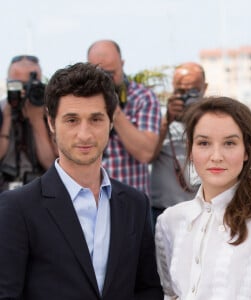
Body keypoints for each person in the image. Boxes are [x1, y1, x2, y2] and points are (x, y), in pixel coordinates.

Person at [0, 62, 163, 300]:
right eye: (72, 120)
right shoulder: (17, 207)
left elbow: (147, 289)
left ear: (111, 121)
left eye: (95, 119)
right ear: (50, 122)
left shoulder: (135, 204)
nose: (84, 134)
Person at [155, 96, 251, 299]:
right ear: (190, 149)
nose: (216, 156)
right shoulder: (170, 221)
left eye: (229, 143)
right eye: (204, 143)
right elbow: (170, 294)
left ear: (246, 150)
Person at [87, 40, 161, 195]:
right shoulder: (81, 100)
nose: (106, 80)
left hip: (133, 201)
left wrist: (113, 106)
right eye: (100, 73)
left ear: (122, 63)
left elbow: (146, 153)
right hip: (90, 199)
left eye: (111, 73)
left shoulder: (142, 97)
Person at [150, 62, 207, 225]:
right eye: (181, 91)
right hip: (163, 211)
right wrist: (166, 121)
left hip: (201, 212)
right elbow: (146, 155)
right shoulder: (159, 117)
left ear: (205, 88)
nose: (188, 97)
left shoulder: (211, 119)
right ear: (173, 90)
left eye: (194, 91)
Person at [0, 55, 57, 191]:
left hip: (38, 191)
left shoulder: (49, 113)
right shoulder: (2, 110)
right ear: (8, 83)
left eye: (30, 85)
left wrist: (37, 121)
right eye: (18, 85)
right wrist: (7, 117)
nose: (24, 92)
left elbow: (51, 164)